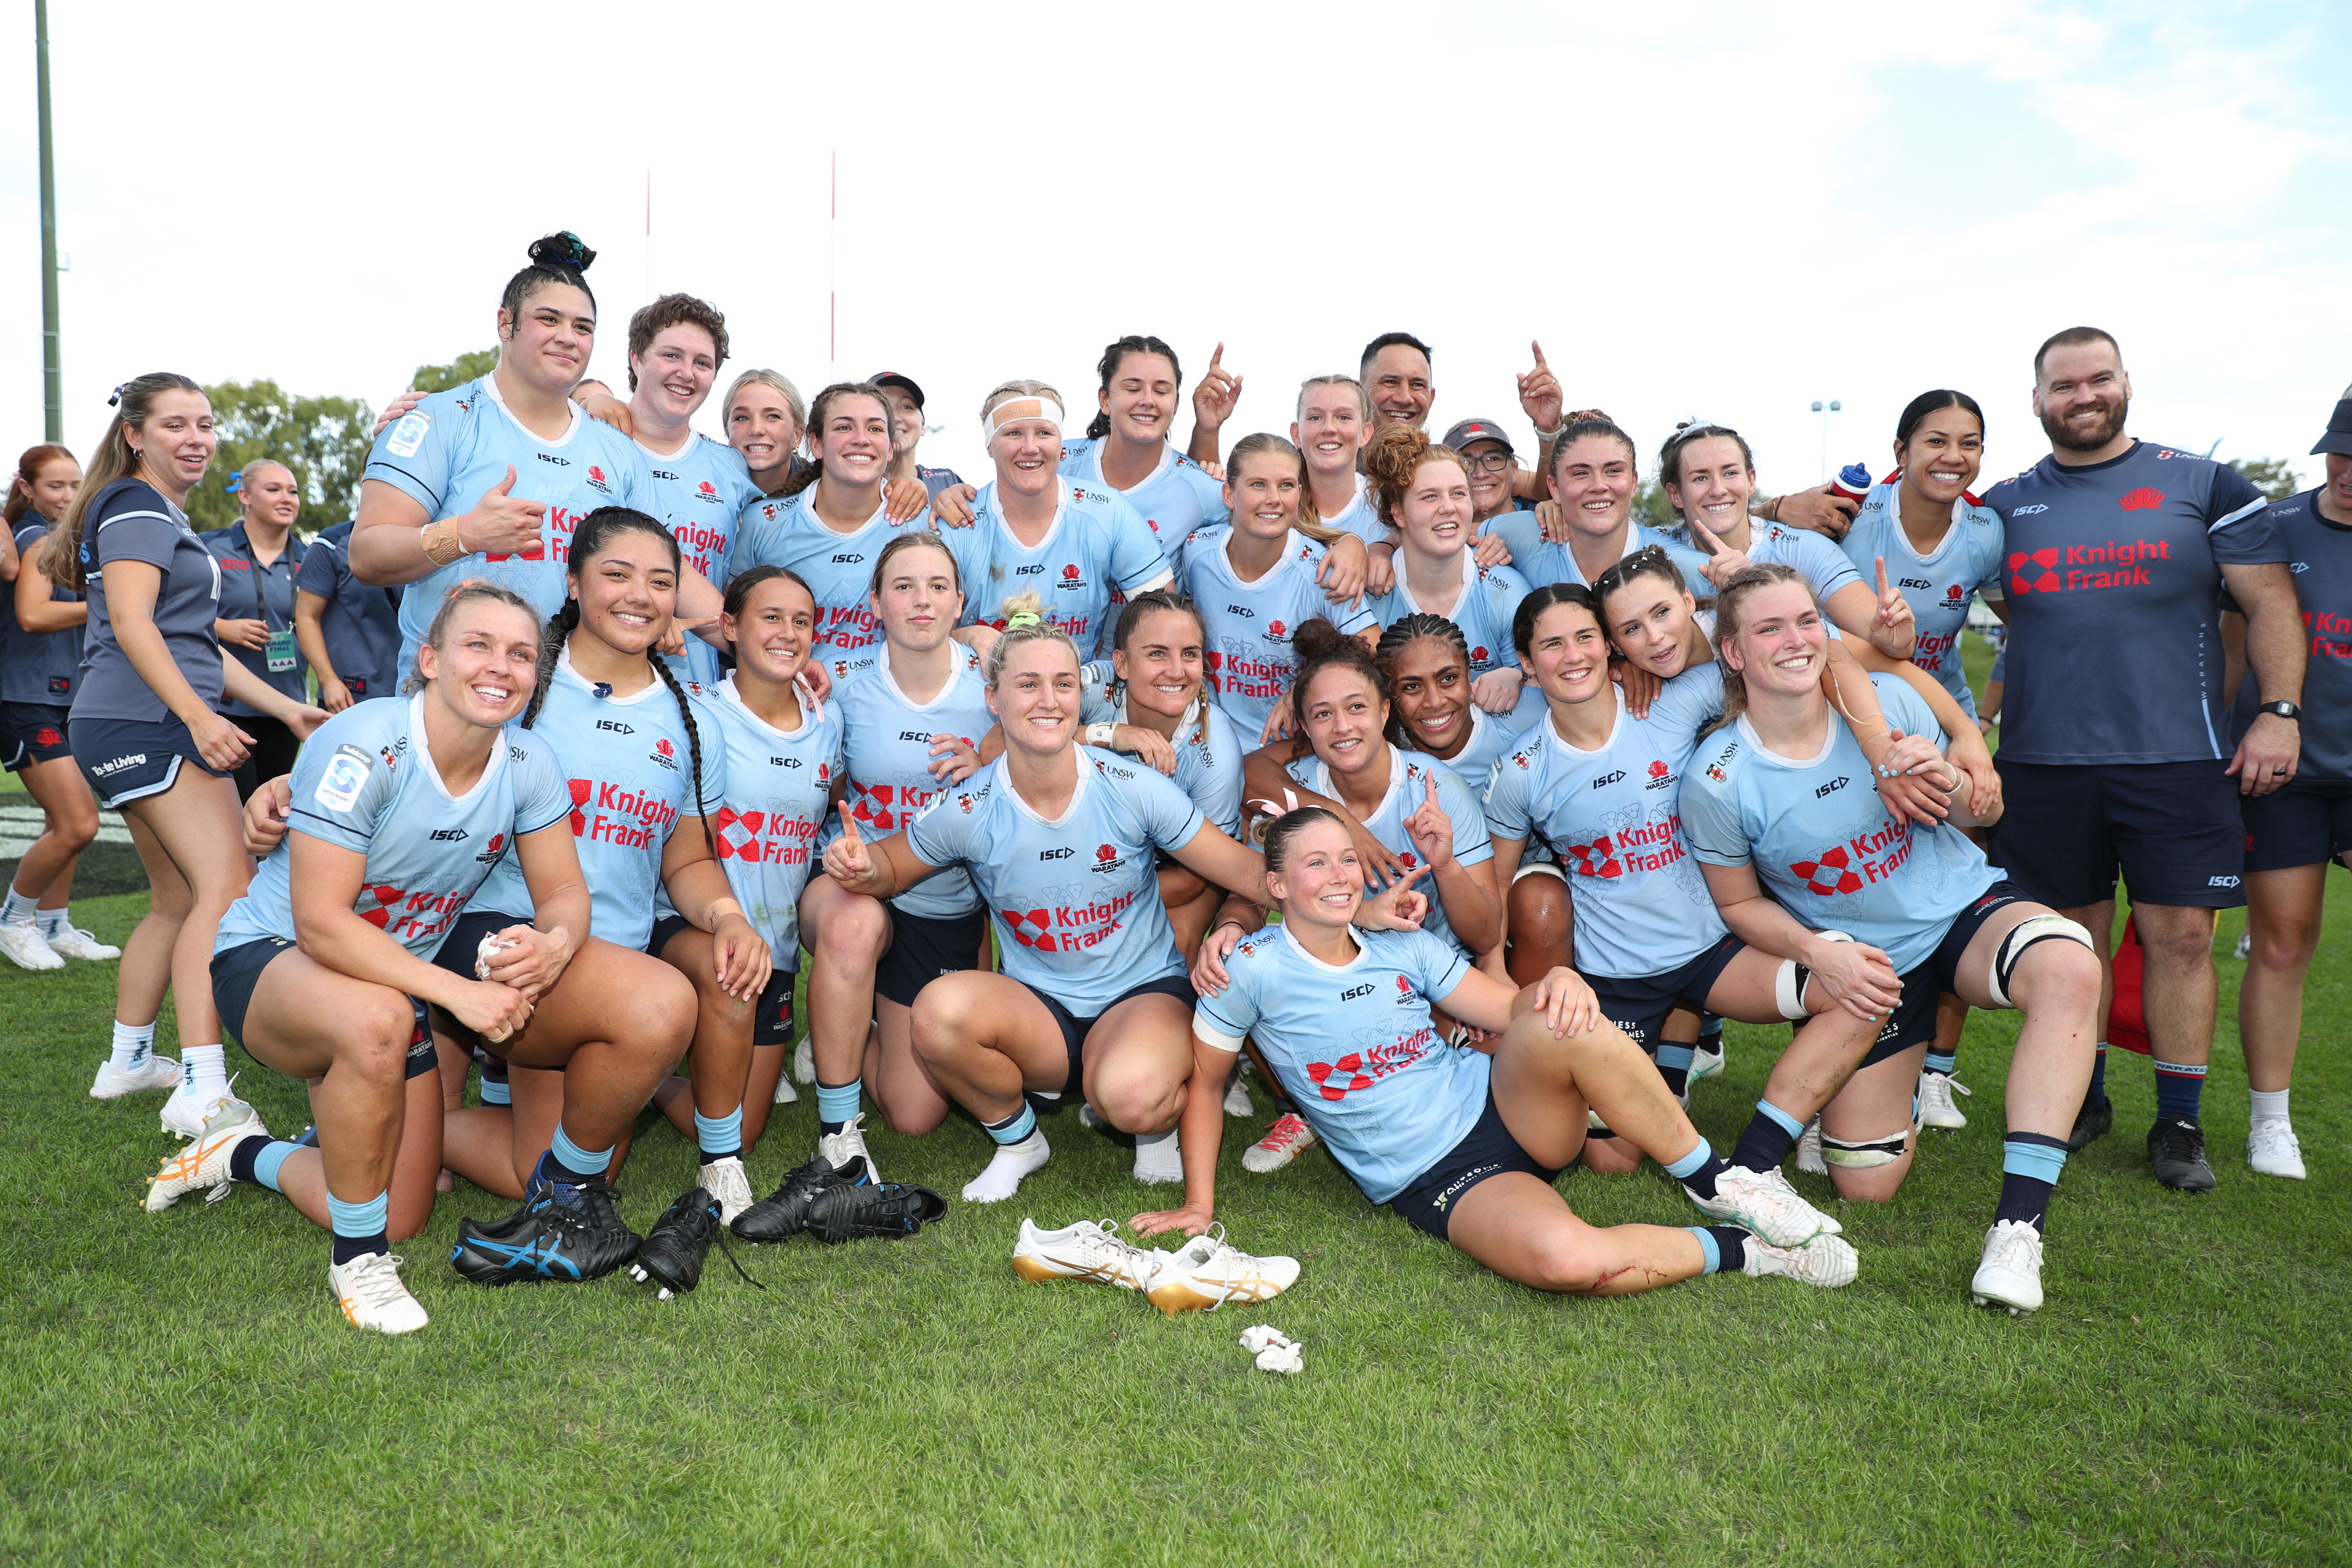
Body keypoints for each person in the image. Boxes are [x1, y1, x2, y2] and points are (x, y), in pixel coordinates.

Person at [1153, 806, 1858, 1295]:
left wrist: (1555, 977)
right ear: (1275, 886)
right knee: (1564, 1261)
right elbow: (1208, 1083)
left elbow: (1505, 1010)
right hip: (1434, 1176)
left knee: (1560, 1016)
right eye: (1315, 862)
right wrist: (1197, 1200)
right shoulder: (1247, 968)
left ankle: (1718, 1181)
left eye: (1346, 857)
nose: (1339, 874)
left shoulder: (1401, 944)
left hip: (1508, 1106)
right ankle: (1752, 1253)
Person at [145, 584, 578, 1331]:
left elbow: (566, 889)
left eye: (520, 654)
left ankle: (241, 1152)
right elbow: (319, 924)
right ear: (430, 658)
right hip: (272, 959)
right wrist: (460, 995)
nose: (501, 666)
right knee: (381, 1017)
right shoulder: (367, 743)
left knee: (406, 1207)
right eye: (479, 645)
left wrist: (555, 942)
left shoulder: (529, 759)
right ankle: (358, 1264)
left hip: (386, 980)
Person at [1681, 563, 2102, 1314]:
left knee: (2069, 965)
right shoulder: (1716, 778)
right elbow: (1738, 904)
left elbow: (1977, 808)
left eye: (1806, 621)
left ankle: (2016, 1231)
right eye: (1768, 628)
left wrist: (1945, 773)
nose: (1796, 640)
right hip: (1877, 971)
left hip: (1959, 912)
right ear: (1733, 653)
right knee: (1864, 1183)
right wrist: (1817, 951)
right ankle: (1890, 1090)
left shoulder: (1887, 702)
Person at [820, 593, 1288, 1204]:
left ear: (1080, 695)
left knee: (1129, 1096)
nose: (1048, 699)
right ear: (993, 698)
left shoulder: (1133, 784)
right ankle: (1018, 1141)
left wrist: (1346, 898)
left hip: (1138, 992)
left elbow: (1244, 872)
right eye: (1028, 683)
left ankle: (1153, 1125)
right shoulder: (970, 805)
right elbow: (889, 866)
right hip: (1039, 1010)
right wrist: (858, 862)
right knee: (938, 1012)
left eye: (1064, 683)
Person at [1983, 326, 2301, 1189]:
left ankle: (2179, 1122)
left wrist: (2276, 712)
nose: (2080, 397)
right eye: (2062, 385)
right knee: (2069, 940)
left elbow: (2268, 603)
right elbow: (1933, 563)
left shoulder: (2202, 482)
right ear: (2037, 400)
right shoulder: (2005, 504)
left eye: (2096, 380)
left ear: (2124, 383)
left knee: (2181, 936)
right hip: (2044, 763)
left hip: (2176, 759)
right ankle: (2080, 1095)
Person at [1484, 583, 1889, 1202]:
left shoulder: (1670, 705)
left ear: (1610, 646)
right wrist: (1491, 984)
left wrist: (1899, 741)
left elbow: (1803, 647)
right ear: (1525, 662)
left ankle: (1754, 1162)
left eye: (1586, 637)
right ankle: (1663, 1071)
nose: (1572, 656)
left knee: (1859, 986)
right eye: (1551, 644)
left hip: (1713, 953)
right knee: (1609, 1162)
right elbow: (1492, 892)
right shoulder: (1520, 770)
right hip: (1617, 976)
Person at [450, 507, 765, 1242]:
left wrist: (727, 918)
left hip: (615, 960)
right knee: (421, 1185)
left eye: (661, 581)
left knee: (726, 964)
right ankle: (413, 1104)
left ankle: (720, 1164)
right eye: (616, 574)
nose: (639, 595)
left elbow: (686, 859)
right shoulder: (521, 685)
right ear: (572, 580)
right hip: (510, 951)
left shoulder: (692, 718)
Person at [56, 373, 326, 1138]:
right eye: (176, 423)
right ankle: (203, 1089)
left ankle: (129, 1062)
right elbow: (136, 626)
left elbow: (192, 641)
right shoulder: (138, 506)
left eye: (205, 423)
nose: (197, 436)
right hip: (148, 722)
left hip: (126, 720)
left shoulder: (154, 509)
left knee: (177, 898)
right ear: (135, 435)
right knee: (227, 885)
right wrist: (196, 718)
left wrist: (284, 707)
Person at [749, 531, 992, 1225]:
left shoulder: (991, 681)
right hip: (855, 881)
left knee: (915, 1116)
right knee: (855, 924)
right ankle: (838, 1132)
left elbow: (1064, 714)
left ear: (960, 600)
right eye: (904, 586)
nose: (921, 600)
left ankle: (850, 1021)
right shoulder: (839, 681)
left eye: (937, 585)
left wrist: (990, 752)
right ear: (876, 602)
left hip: (947, 902)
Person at [350, 233, 691, 686]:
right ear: (505, 323)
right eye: (548, 319)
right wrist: (464, 535)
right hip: (452, 706)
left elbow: (665, 572)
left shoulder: (618, 453)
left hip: (572, 710)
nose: (567, 338)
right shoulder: (435, 420)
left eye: (583, 328)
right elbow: (367, 554)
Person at [1836, 391, 2010, 1131]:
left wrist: (1973, 729)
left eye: (1968, 443)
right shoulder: (1852, 515)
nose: (1951, 456)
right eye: (1934, 439)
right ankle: (1851, 1061)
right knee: (1863, 882)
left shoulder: (1983, 531)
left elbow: (2020, 623)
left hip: (1941, 713)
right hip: (1856, 710)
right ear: (1900, 449)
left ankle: (1935, 1068)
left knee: (1960, 871)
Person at [647, 566, 843, 1165]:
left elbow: (831, 799)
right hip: (695, 932)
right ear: (729, 626)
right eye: (771, 617)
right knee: (725, 1122)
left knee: (745, 1129)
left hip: (776, 950)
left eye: (802, 621)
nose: (788, 632)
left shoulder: (825, 722)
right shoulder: (696, 712)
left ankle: (646, 1084)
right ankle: (638, 1057)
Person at [2220, 386, 2352, 1180]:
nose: (2347, 471)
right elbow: (2234, 643)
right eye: (2340, 452)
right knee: (2281, 939)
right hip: (2289, 768)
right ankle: (2271, 1121)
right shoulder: (2273, 530)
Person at [1239, 620, 1500, 959]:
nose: (1342, 726)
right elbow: (1249, 898)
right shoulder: (1290, 790)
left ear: (1384, 709)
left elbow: (1485, 936)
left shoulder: (1436, 787)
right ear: (1304, 727)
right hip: (1328, 975)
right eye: (1322, 714)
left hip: (1430, 971)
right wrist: (1232, 927)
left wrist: (1445, 866)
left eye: (1356, 706)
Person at [730, 382, 954, 685]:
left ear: (890, 448)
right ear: (817, 444)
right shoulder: (764, 522)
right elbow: (733, 621)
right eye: (844, 427)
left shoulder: (921, 524)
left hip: (883, 710)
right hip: (792, 711)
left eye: (875, 429)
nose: (861, 439)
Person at [1075, 589, 1246, 958]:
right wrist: (1107, 734)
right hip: (1089, 855)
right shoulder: (1092, 686)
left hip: (1180, 870)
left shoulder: (1216, 749)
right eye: (1156, 653)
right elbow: (1000, 747)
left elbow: (1190, 881)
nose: (1175, 670)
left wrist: (1093, 902)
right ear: (1120, 664)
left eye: (1189, 654)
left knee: (1174, 940)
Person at [1, 444, 119, 977]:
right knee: (78, 824)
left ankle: (53, 923)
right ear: (26, 488)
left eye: (75, 485)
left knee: (61, 820)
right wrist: (100, 605)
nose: (69, 496)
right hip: (24, 698)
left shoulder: (67, 539)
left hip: (63, 696)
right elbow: (31, 613)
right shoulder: (35, 537)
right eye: (55, 486)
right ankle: (14, 919)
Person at [1172, 432, 1375, 741]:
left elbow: (1374, 648)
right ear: (1229, 494)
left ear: (1300, 492)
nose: (1273, 499)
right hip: (1209, 736)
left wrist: (1304, 687)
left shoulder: (1322, 571)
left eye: (1286, 485)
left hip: (1288, 747)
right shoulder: (1197, 551)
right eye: (1258, 485)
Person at [953, 382, 1171, 657]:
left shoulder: (1108, 511)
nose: (1030, 448)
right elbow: (921, 638)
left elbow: (1165, 623)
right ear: (990, 446)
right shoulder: (959, 522)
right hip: (983, 695)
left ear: (1060, 442)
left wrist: (1102, 676)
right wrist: (971, 634)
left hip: (1079, 694)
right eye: (1013, 433)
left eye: (1044, 433)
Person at [1358, 426, 1532, 715]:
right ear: (1398, 513)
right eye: (1430, 497)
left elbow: (1541, 687)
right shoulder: (1370, 589)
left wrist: (1520, 679)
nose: (1448, 507)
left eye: (1458, 494)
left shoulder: (1507, 590)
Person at [1061, 335, 1231, 551]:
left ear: (1176, 404)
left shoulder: (1202, 487)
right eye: (1133, 389)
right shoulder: (1057, 465)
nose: (1148, 400)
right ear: (1105, 399)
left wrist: (1208, 430)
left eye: (1161, 391)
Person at [205, 461, 310, 800]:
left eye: (292, 491)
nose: (287, 498)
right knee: (237, 811)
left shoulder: (310, 559)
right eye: (274, 489)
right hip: (224, 705)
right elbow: (172, 615)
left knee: (273, 810)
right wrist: (223, 627)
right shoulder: (210, 549)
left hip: (287, 705)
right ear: (245, 496)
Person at [1516, 415, 1712, 590]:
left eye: (1613, 471)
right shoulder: (1518, 540)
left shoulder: (1696, 570)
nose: (1598, 486)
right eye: (1581, 473)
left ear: (1634, 483)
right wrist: (1489, 546)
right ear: (1555, 487)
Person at [294, 517, 402, 711]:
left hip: (417, 693)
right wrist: (328, 681)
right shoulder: (332, 544)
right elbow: (306, 616)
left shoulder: (434, 539)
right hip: (350, 696)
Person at [872, 371, 965, 501]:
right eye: (883, 407)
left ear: (922, 426)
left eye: (906, 407)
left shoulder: (948, 482)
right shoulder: (850, 488)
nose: (895, 417)